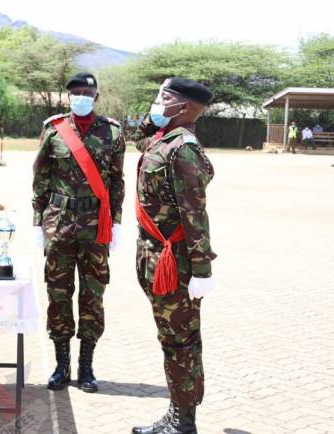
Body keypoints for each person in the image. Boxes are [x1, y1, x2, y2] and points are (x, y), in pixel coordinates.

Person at [132, 78, 217, 434]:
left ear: (183, 107)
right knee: (173, 340)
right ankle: (180, 414)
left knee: (178, 343)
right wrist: (154, 115)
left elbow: (195, 215)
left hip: (175, 264)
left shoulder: (183, 149)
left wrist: (202, 270)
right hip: (155, 255)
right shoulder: (163, 139)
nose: (156, 102)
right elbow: (138, 141)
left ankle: (181, 422)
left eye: (163, 98)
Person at [31, 72, 125, 392]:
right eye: (76, 92)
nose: (81, 96)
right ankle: (61, 366)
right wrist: (36, 221)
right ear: (68, 97)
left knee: (93, 295)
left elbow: (117, 181)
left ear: (96, 96)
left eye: (87, 91)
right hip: (58, 222)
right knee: (58, 294)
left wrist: (117, 223)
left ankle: (86, 367)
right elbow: (41, 177)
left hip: (95, 224)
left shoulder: (112, 132)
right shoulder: (53, 129)